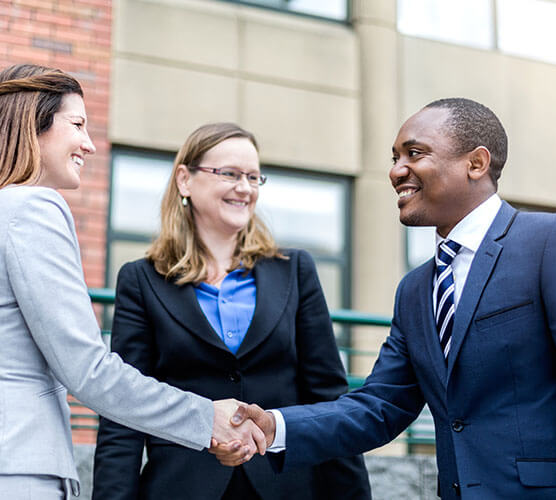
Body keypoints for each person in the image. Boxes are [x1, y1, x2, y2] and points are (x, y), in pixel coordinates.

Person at [218, 98, 556, 499]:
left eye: (414, 153)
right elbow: (380, 405)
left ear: (476, 163)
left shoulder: (555, 242)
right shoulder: (415, 289)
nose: (396, 171)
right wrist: (274, 426)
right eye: (395, 157)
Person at [0, 64, 264, 500]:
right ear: (34, 125)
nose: (88, 143)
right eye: (78, 124)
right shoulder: (33, 209)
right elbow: (87, 370)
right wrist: (205, 417)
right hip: (10, 476)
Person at [92, 122, 371, 499]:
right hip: (180, 488)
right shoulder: (141, 280)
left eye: (254, 177)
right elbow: (123, 412)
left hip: (288, 487)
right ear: (185, 180)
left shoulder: (295, 271)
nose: (244, 188)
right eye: (230, 174)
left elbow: (328, 400)